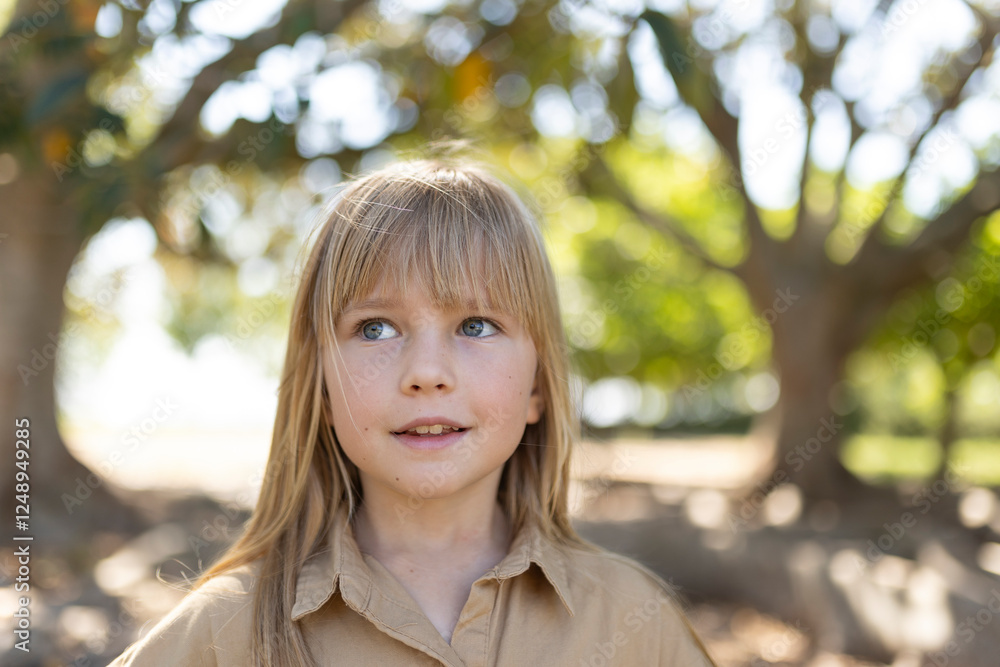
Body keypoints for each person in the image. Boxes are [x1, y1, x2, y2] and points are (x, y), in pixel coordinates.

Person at [109, 156, 716, 666]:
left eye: (476, 325)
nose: (426, 373)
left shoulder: (632, 619)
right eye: (375, 328)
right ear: (320, 389)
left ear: (538, 387)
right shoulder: (227, 629)